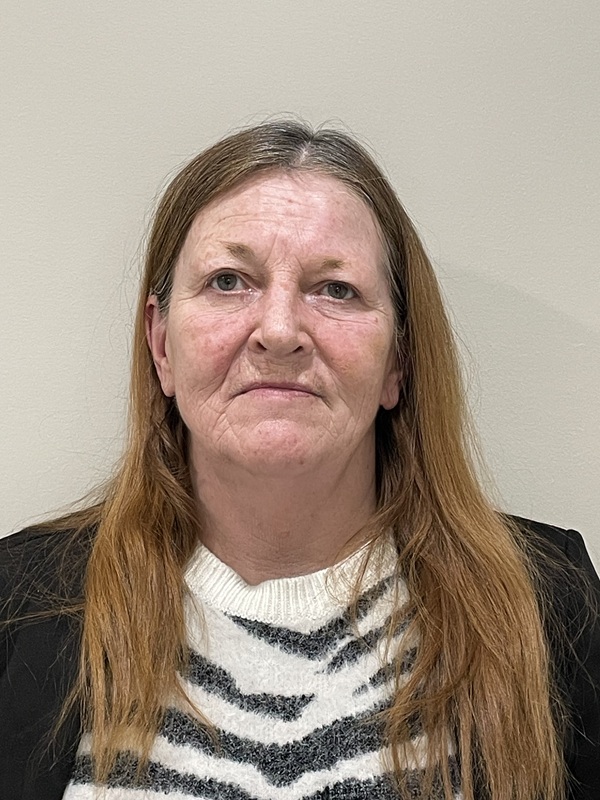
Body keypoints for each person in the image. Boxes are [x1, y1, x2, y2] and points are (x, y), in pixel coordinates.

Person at [1, 120, 599, 800]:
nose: (280, 331)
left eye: (335, 289)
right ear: (162, 345)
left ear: (398, 360)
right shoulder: (21, 607)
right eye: (229, 281)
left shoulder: (548, 608)